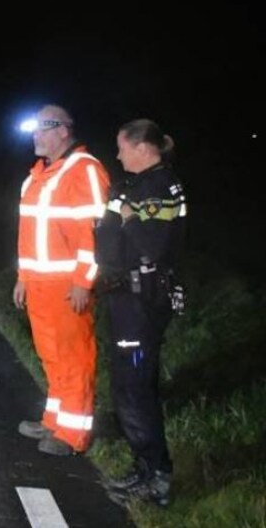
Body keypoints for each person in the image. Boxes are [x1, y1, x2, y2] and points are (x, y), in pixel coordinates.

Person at [95, 119, 185, 507]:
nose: (118, 155)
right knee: (127, 385)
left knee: (134, 387)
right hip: (125, 298)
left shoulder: (159, 187)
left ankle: (156, 477)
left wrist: (129, 216)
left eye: (122, 148)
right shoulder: (136, 184)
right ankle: (144, 468)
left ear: (143, 148)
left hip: (141, 302)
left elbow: (154, 244)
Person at [13, 104, 110, 456]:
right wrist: (23, 277)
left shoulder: (84, 170)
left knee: (73, 357)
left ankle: (73, 434)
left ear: (64, 131)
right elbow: (28, 237)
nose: (35, 135)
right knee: (51, 356)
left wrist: (83, 281)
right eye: (34, 128)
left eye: (43, 127)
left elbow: (93, 234)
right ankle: (54, 420)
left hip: (67, 286)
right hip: (39, 285)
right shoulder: (36, 176)